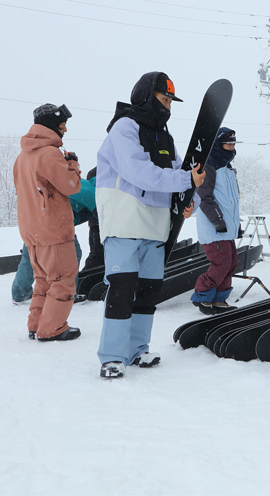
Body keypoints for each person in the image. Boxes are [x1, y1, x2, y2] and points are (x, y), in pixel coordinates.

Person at [94, 71, 205, 379]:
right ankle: (112, 357)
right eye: (163, 98)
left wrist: (184, 198)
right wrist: (184, 179)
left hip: (155, 226)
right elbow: (137, 171)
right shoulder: (124, 128)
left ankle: (137, 349)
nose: (168, 105)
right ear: (145, 96)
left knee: (148, 290)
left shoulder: (164, 136)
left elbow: (177, 174)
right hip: (124, 222)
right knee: (121, 289)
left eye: (171, 100)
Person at [12, 103, 82, 341]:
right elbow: (71, 186)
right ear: (52, 124)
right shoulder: (49, 153)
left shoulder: (23, 156)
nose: (64, 129)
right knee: (62, 279)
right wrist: (72, 165)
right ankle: (52, 328)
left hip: (32, 229)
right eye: (62, 124)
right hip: (53, 227)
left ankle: (36, 325)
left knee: (43, 280)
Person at [11, 172, 98, 304]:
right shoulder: (94, 194)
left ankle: (19, 293)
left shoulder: (83, 184)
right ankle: (70, 294)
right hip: (56, 221)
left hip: (34, 216)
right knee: (73, 255)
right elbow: (106, 219)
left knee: (31, 255)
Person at [191, 127, 242, 314]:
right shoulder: (209, 165)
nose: (231, 147)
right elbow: (205, 197)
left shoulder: (227, 168)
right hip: (214, 227)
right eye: (228, 143)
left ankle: (220, 299)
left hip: (226, 227)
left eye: (233, 143)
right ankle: (203, 295)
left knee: (231, 263)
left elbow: (232, 201)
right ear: (218, 144)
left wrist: (237, 225)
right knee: (221, 263)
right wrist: (218, 221)